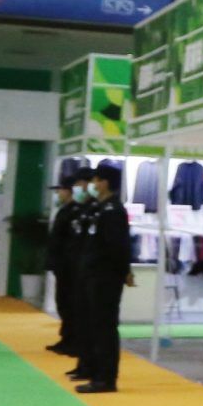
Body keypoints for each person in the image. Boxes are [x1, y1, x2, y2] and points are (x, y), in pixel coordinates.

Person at [70, 162, 133, 394]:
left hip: (105, 276)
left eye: (96, 180)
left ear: (105, 183)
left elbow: (118, 246)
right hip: (92, 273)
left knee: (104, 326)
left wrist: (123, 272)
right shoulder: (98, 208)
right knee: (93, 324)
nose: (93, 184)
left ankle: (106, 378)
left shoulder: (113, 210)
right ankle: (95, 371)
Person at [44, 181, 81, 357]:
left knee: (70, 304)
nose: (58, 194)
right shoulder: (65, 210)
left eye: (60, 190)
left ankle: (73, 340)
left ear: (69, 191)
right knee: (63, 303)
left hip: (70, 265)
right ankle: (67, 338)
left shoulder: (75, 211)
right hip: (62, 264)